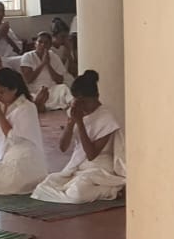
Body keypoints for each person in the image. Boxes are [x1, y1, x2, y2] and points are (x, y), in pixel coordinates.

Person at [33, 70, 126, 204]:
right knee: (43, 186)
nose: (83, 106)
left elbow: (91, 154)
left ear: (96, 97)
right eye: (78, 101)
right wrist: (71, 123)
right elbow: (63, 147)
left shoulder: (107, 117)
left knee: (76, 193)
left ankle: (111, 191)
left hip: (99, 167)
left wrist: (80, 123)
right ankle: (68, 191)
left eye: (85, 102)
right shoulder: (75, 112)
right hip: (78, 166)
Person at [17, 31, 74, 111]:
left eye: (46, 43)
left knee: (64, 88)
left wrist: (48, 65)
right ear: (35, 44)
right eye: (40, 42)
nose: (43, 45)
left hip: (51, 90)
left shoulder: (54, 56)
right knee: (27, 97)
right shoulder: (28, 56)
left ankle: (73, 106)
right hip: (34, 91)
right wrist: (42, 64)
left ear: (50, 45)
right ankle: (39, 104)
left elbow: (60, 80)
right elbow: (28, 79)